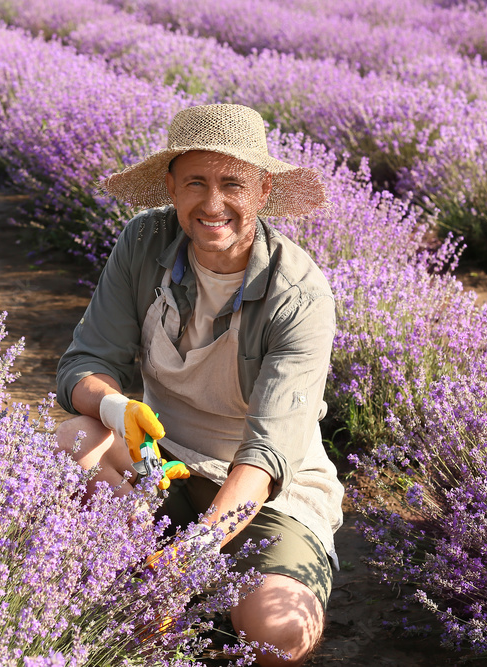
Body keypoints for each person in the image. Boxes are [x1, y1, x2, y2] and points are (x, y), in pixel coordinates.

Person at [55, 104, 343, 666]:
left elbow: (265, 458)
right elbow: (83, 364)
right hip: (162, 463)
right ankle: (150, 590)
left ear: (262, 192)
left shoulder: (299, 295)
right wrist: (116, 409)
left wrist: (198, 551)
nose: (213, 204)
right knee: (76, 442)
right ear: (170, 187)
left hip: (265, 493)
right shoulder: (144, 243)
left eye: (232, 183)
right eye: (196, 183)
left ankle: (187, 591)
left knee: (277, 634)